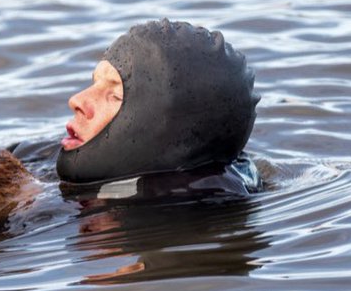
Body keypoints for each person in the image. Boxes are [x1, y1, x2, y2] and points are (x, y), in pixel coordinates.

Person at [56, 19, 261, 199]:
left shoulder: (183, 201)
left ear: (165, 128)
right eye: (94, 84)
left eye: (115, 96)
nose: (77, 100)